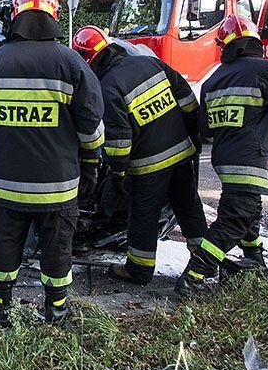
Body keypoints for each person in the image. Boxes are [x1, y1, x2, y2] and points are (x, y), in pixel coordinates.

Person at [0, 0, 105, 326]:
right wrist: (91, 164)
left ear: (16, 15)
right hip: (58, 188)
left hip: (9, 186)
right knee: (57, 251)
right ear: (55, 15)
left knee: (6, 246)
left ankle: (0, 308)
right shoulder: (71, 63)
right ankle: (56, 310)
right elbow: (91, 124)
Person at [176, 15, 268, 296]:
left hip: (225, 160)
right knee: (235, 220)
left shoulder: (213, 80)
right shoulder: (263, 70)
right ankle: (194, 275)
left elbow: (206, 128)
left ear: (224, 46)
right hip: (250, 159)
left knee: (249, 211)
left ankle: (255, 260)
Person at [72, 26, 207, 285]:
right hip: (182, 154)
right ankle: (205, 261)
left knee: (143, 216)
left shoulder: (108, 86)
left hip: (149, 166)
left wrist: (118, 174)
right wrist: (194, 136)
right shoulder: (150, 63)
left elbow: (119, 142)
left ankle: (139, 270)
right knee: (189, 207)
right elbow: (188, 101)